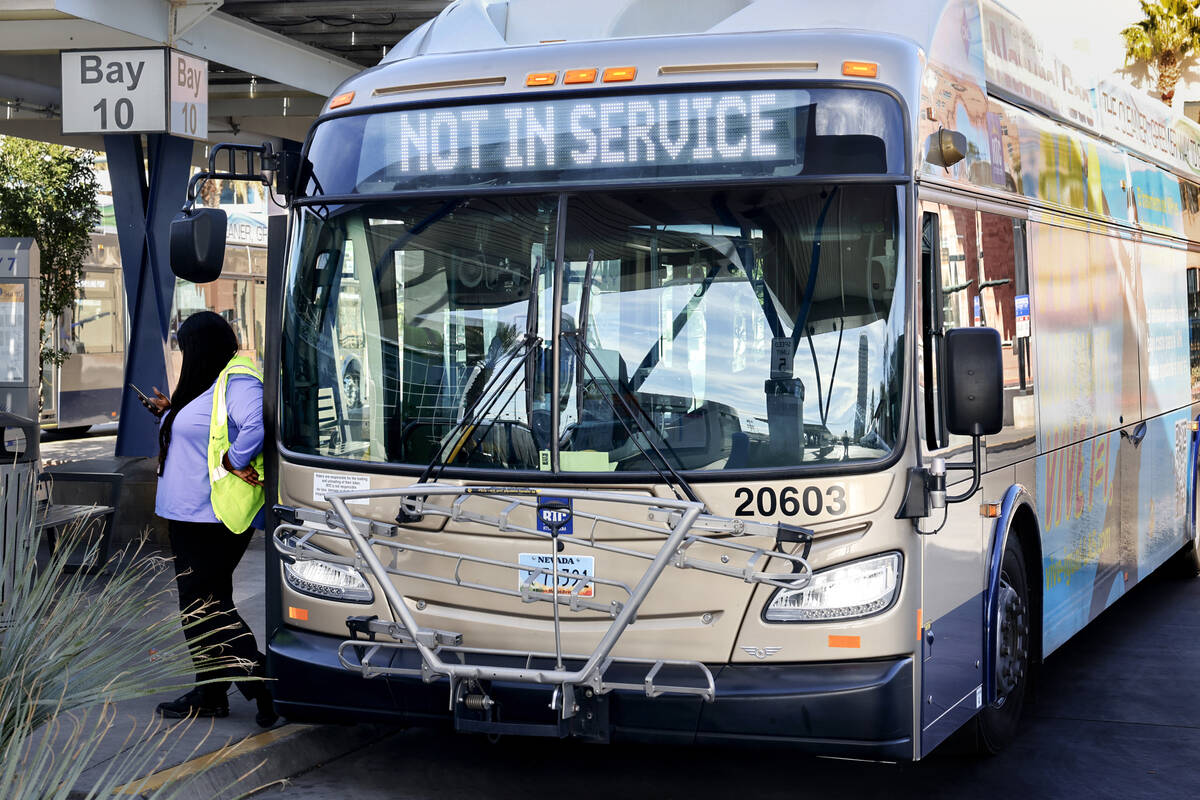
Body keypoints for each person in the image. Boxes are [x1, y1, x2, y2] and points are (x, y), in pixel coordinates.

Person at [145, 311, 277, 727]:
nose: (183, 355)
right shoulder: (209, 385)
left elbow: (256, 426)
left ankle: (263, 682)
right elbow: (202, 427)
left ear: (203, 346)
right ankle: (211, 692)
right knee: (203, 605)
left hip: (211, 517)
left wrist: (233, 459)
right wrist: (170, 414)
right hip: (187, 515)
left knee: (206, 607)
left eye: (187, 347)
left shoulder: (237, 381)